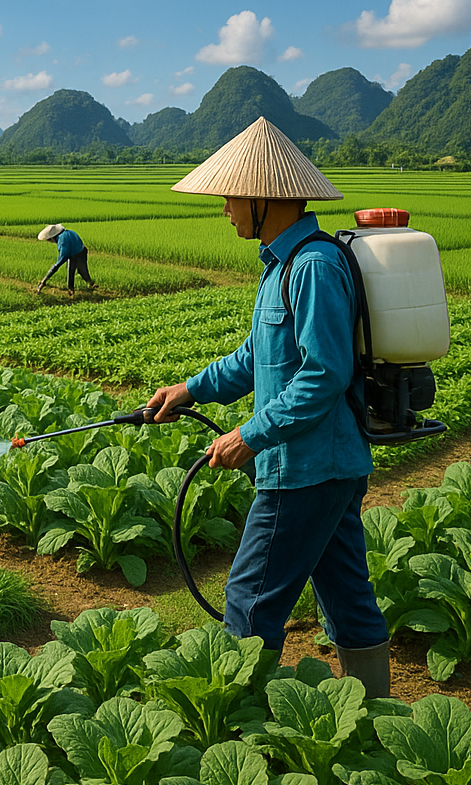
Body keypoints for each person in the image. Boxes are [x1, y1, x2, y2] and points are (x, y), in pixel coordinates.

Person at [144, 117, 391, 698]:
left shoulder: (313, 267)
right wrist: (189, 390)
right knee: (348, 597)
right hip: (327, 466)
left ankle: (238, 726)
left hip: (304, 470)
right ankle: (379, 717)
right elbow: (255, 357)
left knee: (249, 601)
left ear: (263, 198)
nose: (225, 208)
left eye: (231, 197)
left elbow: (323, 375)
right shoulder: (281, 265)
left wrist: (250, 435)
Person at [34, 223, 99, 294]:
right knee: (82, 270)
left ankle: (71, 290)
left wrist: (45, 279)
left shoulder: (63, 241)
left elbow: (62, 259)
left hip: (76, 253)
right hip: (82, 250)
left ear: (52, 238)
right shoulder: (68, 232)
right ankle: (90, 283)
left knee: (71, 270)